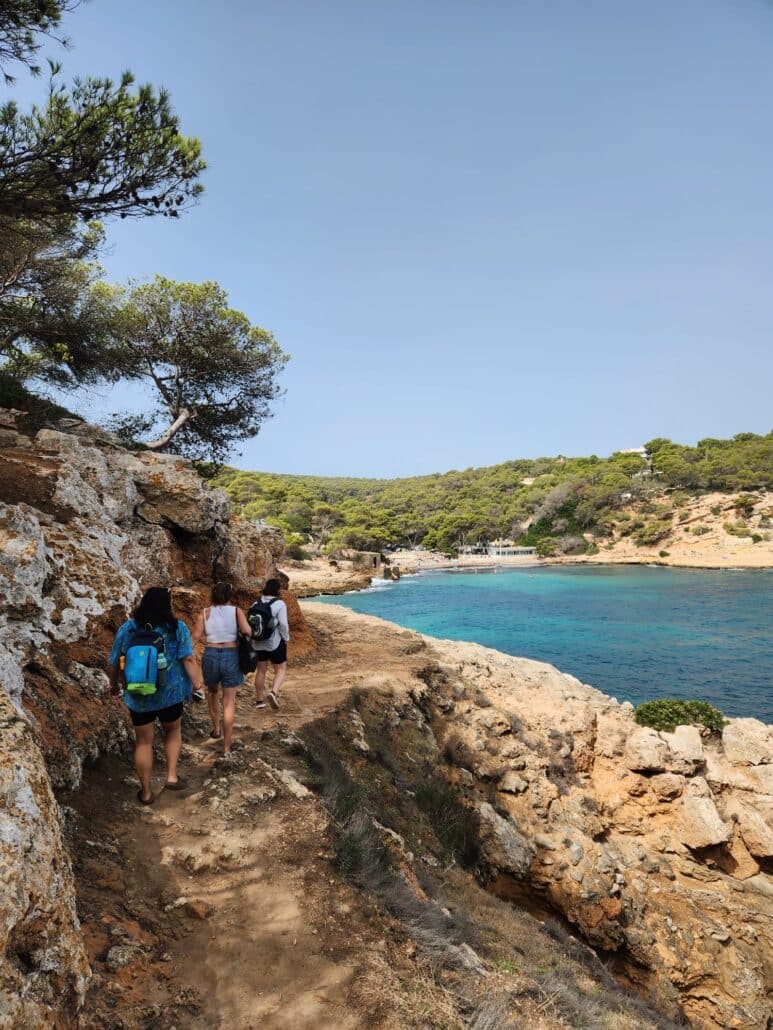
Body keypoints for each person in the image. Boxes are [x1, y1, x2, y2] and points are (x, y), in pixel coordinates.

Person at [108, 586, 204, 805]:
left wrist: (113, 685)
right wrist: (198, 686)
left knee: (143, 741)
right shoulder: (176, 627)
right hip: (171, 694)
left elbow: (114, 661)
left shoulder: (128, 628)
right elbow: (188, 659)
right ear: (167, 605)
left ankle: (146, 792)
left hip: (139, 695)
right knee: (172, 731)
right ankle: (171, 777)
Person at [191, 582, 252, 757]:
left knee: (212, 691)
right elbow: (247, 630)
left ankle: (216, 728)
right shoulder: (236, 611)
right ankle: (226, 746)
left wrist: (184, 655)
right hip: (231, 654)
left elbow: (195, 637)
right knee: (229, 703)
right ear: (229, 596)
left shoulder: (205, 613)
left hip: (210, 654)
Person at [252, 578, 290, 710]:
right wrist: (286, 638)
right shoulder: (279, 604)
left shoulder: (256, 602)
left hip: (258, 642)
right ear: (278, 590)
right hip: (274, 642)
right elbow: (283, 624)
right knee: (280, 669)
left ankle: (259, 701)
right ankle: (273, 692)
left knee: (261, 671)